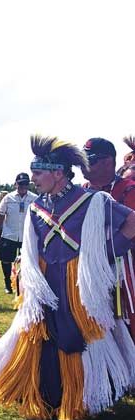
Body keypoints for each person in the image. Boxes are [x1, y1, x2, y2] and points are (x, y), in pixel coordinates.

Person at [0, 136, 135, 420]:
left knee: (75, 336)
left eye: (38, 173)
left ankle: (77, 400)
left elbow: (132, 222)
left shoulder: (93, 201)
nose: (33, 178)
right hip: (43, 284)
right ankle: (44, 399)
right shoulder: (36, 207)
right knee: (41, 335)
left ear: (58, 173)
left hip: (78, 287)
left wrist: (102, 253)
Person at [83, 137, 135, 339]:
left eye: (90, 160)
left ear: (107, 161)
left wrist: (104, 253)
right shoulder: (80, 191)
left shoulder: (129, 189)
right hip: (89, 274)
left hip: (125, 274)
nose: (83, 165)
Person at [0, 173, 38, 294]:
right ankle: (7, 283)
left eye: (25, 184)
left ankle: (24, 285)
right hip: (9, 235)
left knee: (27, 262)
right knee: (6, 260)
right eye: (20, 184)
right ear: (15, 184)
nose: (23, 186)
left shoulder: (34, 199)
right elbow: (0, 217)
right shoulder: (8, 198)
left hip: (27, 236)